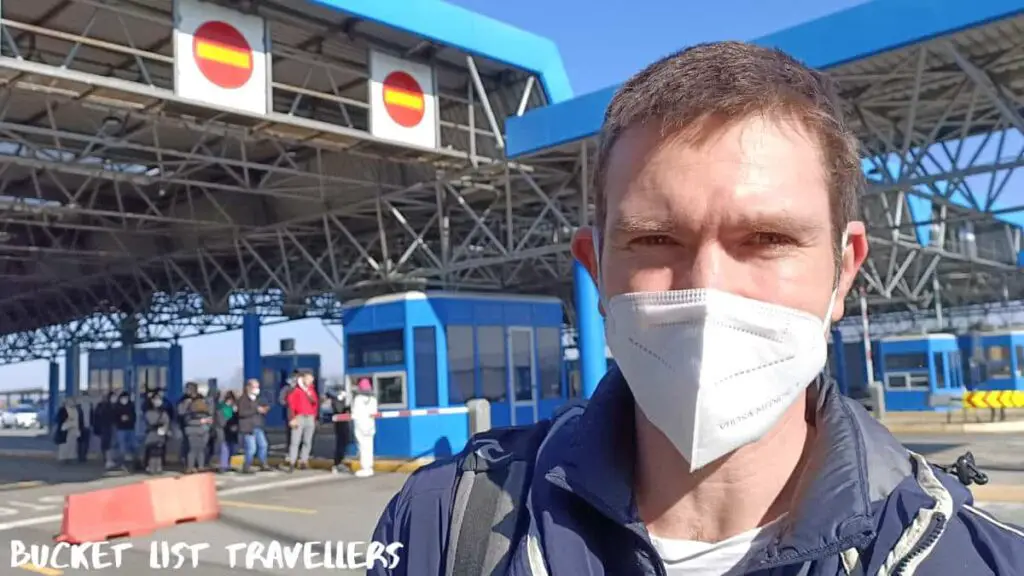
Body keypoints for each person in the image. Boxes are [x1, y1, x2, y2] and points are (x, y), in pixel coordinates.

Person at [370, 42, 1024, 575]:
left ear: (844, 268)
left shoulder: (976, 559)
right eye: (656, 240)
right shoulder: (440, 526)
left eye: (767, 240)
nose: (709, 289)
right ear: (596, 269)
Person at [284, 369, 319, 472]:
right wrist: (292, 418)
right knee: (295, 441)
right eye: (308, 379)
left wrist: (315, 417)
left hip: (310, 417)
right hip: (299, 417)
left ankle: (304, 461)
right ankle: (292, 462)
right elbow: (291, 405)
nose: (310, 381)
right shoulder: (295, 390)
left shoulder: (311, 390)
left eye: (312, 380)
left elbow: (315, 404)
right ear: (303, 378)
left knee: (307, 441)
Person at [237, 378, 270, 473]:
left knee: (263, 445)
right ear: (248, 387)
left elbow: (264, 406)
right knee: (251, 448)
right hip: (248, 427)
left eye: (258, 387)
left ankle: (263, 463)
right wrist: (256, 410)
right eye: (254, 387)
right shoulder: (243, 399)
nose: (257, 389)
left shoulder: (259, 399)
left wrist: (264, 410)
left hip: (258, 426)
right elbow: (242, 413)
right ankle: (247, 465)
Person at [180, 382, 213, 473]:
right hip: (192, 428)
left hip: (202, 429)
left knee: (200, 449)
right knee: (192, 449)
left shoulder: (205, 402)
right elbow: (184, 416)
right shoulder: (186, 402)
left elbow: (211, 415)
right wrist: (201, 421)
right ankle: (190, 467)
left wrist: (207, 424)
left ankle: (200, 466)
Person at [351, 378, 377, 479]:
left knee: (362, 447)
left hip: (360, 426)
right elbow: (374, 413)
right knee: (369, 446)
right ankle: (369, 467)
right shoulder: (373, 399)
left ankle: (365, 468)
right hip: (370, 426)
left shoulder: (357, 399)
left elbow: (355, 414)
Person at [142, 395, 170, 474]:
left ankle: (157, 468)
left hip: (159, 433)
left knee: (158, 452)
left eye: (159, 400)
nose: (158, 402)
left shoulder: (163, 412)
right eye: (156, 400)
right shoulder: (149, 412)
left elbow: (166, 423)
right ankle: (152, 467)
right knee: (153, 451)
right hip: (153, 434)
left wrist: (165, 429)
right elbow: (152, 422)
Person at [216, 391, 240, 473]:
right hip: (223, 431)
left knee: (232, 448)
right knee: (225, 448)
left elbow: (236, 419)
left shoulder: (234, 408)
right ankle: (223, 466)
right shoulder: (221, 408)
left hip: (232, 432)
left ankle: (228, 464)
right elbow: (221, 421)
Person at [112, 391, 136, 470]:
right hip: (121, 429)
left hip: (130, 428)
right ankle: (122, 463)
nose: (124, 399)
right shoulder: (117, 407)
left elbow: (134, 417)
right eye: (123, 398)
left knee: (132, 446)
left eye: (126, 398)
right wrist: (120, 419)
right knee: (122, 447)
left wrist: (129, 419)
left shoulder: (131, 406)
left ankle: (131, 463)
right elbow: (114, 418)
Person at [330, 388, 352, 474]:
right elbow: (339, 410)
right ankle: (337, 464)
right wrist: (344, 404)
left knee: (344, 442)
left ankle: (340, 462)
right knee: (340, 443)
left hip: (345, 424)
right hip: (340, 425)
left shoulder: (342, 400)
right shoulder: (336, 401)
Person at [92, 392, 116, 469]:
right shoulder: (107, 406)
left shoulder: (102, 406)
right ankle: (108, 460)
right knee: (107, 444)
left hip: (105, 427)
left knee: (106, 444)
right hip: (106, 427)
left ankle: (107, 460)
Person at [54, 397, 80, 463]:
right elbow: (60, 419)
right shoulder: (63, 409)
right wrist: (67, 419)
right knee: (64, 445)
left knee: (72, 444)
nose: (72, 403)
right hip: (65, 429)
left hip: (73, 429)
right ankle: (63, 457)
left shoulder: (75, 410)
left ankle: (70, 457)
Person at [75, 395, 92, 463]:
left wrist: (91, 424)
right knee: (80, 442)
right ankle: (80, 456)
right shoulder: (78, 407)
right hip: (80, 427)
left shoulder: (90, 406)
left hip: (88, 427)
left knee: (86, 442)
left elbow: (92, 415)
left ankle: (84, 456)